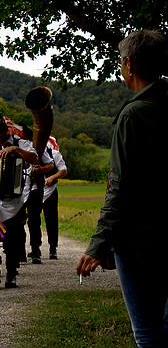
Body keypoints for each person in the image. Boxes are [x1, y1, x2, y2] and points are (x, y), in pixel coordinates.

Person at [77, 29, 168, 347]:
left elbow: (121, 187)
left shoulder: (134, 115)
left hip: (142, 240)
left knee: (147, 330)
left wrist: (99, 244)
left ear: (128, 64)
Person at [0, 116, 41, 288]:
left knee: (12, 240)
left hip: (14, 200)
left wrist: (15, 150)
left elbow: (34, 159)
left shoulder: (20, 143)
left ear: (7, 131)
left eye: (0, 133)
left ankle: (11, 274)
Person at [27, 145, 67, 261]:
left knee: (52, 219)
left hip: (50, 191)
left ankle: (53, 248)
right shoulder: (29, 153)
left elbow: (63, 170)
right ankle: (35, 249)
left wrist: (52, 178)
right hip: (34, 190)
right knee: (33, 220)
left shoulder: (54, 154)